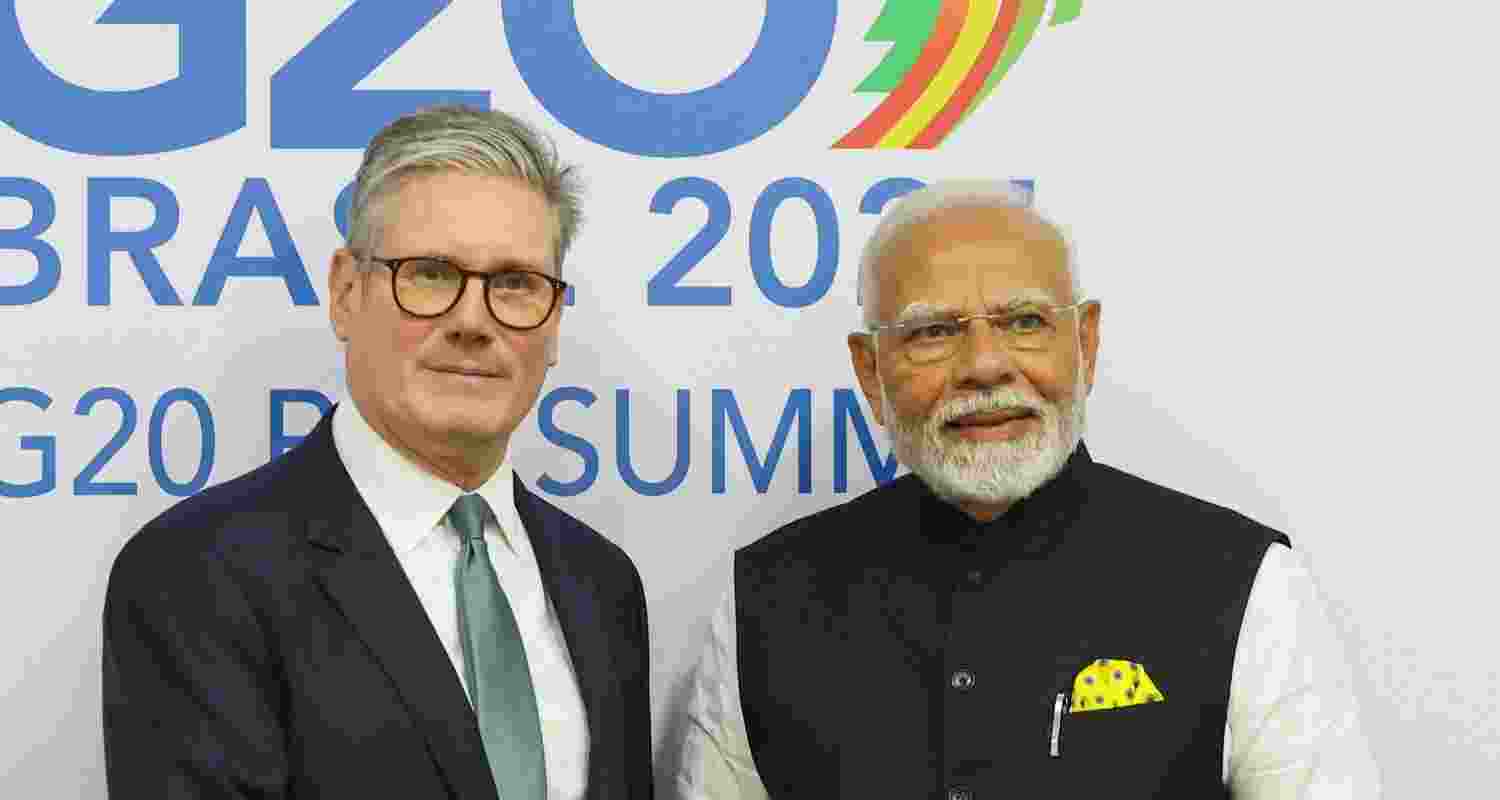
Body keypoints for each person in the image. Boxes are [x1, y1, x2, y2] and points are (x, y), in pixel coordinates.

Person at [674, 181, 1379, 798]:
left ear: (1086, 344)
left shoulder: (1242, 580)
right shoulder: (766, 598)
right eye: (932, 332)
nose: (984, 365)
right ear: (870, 371)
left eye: (1024, 322)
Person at [103, 107, 652, 799]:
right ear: (345, 291)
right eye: (429, 273)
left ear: (554, 316)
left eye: (514, 283)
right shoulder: (198, 574)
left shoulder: (600, 585)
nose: (472, 321)